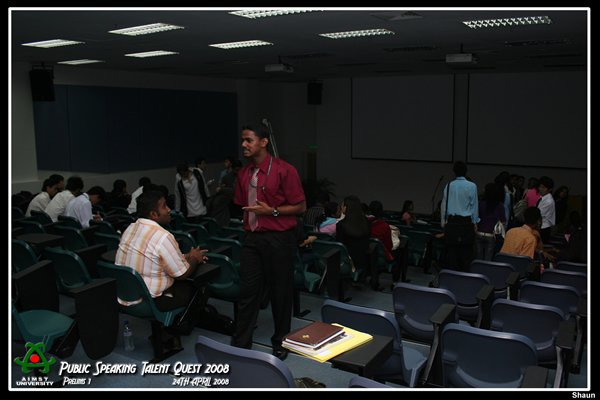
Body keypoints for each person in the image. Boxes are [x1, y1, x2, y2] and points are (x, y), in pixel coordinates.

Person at [230, 122, 306, 361]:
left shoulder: (285, 170)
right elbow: (241, 204)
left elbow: (301, 207)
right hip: (252, 238)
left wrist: (272, 211)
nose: (244, 144)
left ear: (263, 142)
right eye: (243, 140)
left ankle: (281, 341)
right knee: (248, 292)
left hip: (279, 239)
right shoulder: (243, 173)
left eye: (249, 140)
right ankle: (241, 342)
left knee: (280, 293)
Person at [115, 189, 210, 349]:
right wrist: (195, 258)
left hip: (125, 295)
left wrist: (186, 256)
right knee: (200, 289)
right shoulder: (162, 236)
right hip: (150, 301)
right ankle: (170, 333)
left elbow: (151, 256)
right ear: (153, 214)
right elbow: (182, 274)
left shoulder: (130, 228)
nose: (169, 210)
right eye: (165, 206)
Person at [440, 161, 478, 272]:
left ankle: (452, 278)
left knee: (453, 253)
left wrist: (444, 222)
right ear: (466, 171)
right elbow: (474, 206)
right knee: (466, 253)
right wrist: (475, 221)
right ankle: (465, 278)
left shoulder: (448, 186)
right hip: (466, 222)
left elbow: (445, 206)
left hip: (452, 221)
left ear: (454, 172)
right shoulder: (472, 186)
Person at [336, 195, 376, 290]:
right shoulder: (366, 222)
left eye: (342, 205)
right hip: (363, 260)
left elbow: (340, 246)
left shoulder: (341, 225)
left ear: (346, 208)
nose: (341, 207)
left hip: (346, 261)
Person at [369, 200, 405, 287]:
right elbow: (389, 246)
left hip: (367, 254)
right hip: (380, 256)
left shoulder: (364, 222)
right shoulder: (384, 226)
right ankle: (395, 282)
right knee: (400, 252)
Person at [474, 183, 506, 261]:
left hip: (479, 232)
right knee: (488, 256)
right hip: (491, 234)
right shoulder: (499, 205)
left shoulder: (480, 203)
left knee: (478, 255)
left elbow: (476, 217)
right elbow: (503, 221)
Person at [537, 176, 556, 244]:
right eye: (540, 186)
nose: (541, 189)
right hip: (540, 227)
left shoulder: (548, 201)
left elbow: (539, 214)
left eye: (543, 187)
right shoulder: (542, 197)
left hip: (543, 228)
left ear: (549, 189)